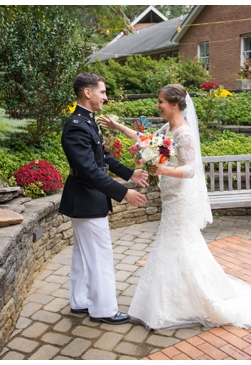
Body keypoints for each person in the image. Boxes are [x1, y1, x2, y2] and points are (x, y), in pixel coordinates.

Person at [101, 84, 251, 330]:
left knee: (174, 242)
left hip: (181, 198)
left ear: (175, 104)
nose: (157, 105)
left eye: (161, 101)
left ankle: (180, 302)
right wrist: (119, 127)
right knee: (180, 244)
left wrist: (163, 169)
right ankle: (176, 297)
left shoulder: (184, 134)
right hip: (171, 195)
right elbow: (146, 140)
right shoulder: (168, 128)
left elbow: (190, 169)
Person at [59, 72, 149, 325]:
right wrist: (124, 192)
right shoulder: (76, 126)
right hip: (86, 199)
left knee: (82, 253)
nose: (105, 97)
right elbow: (88, 171)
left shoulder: (87, 121)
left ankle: (79, 301)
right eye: (103, 92)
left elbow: (104, 157)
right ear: (88, 93)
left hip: (87, 198)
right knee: (99, 255)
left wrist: (130, 174)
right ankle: (103, 309)